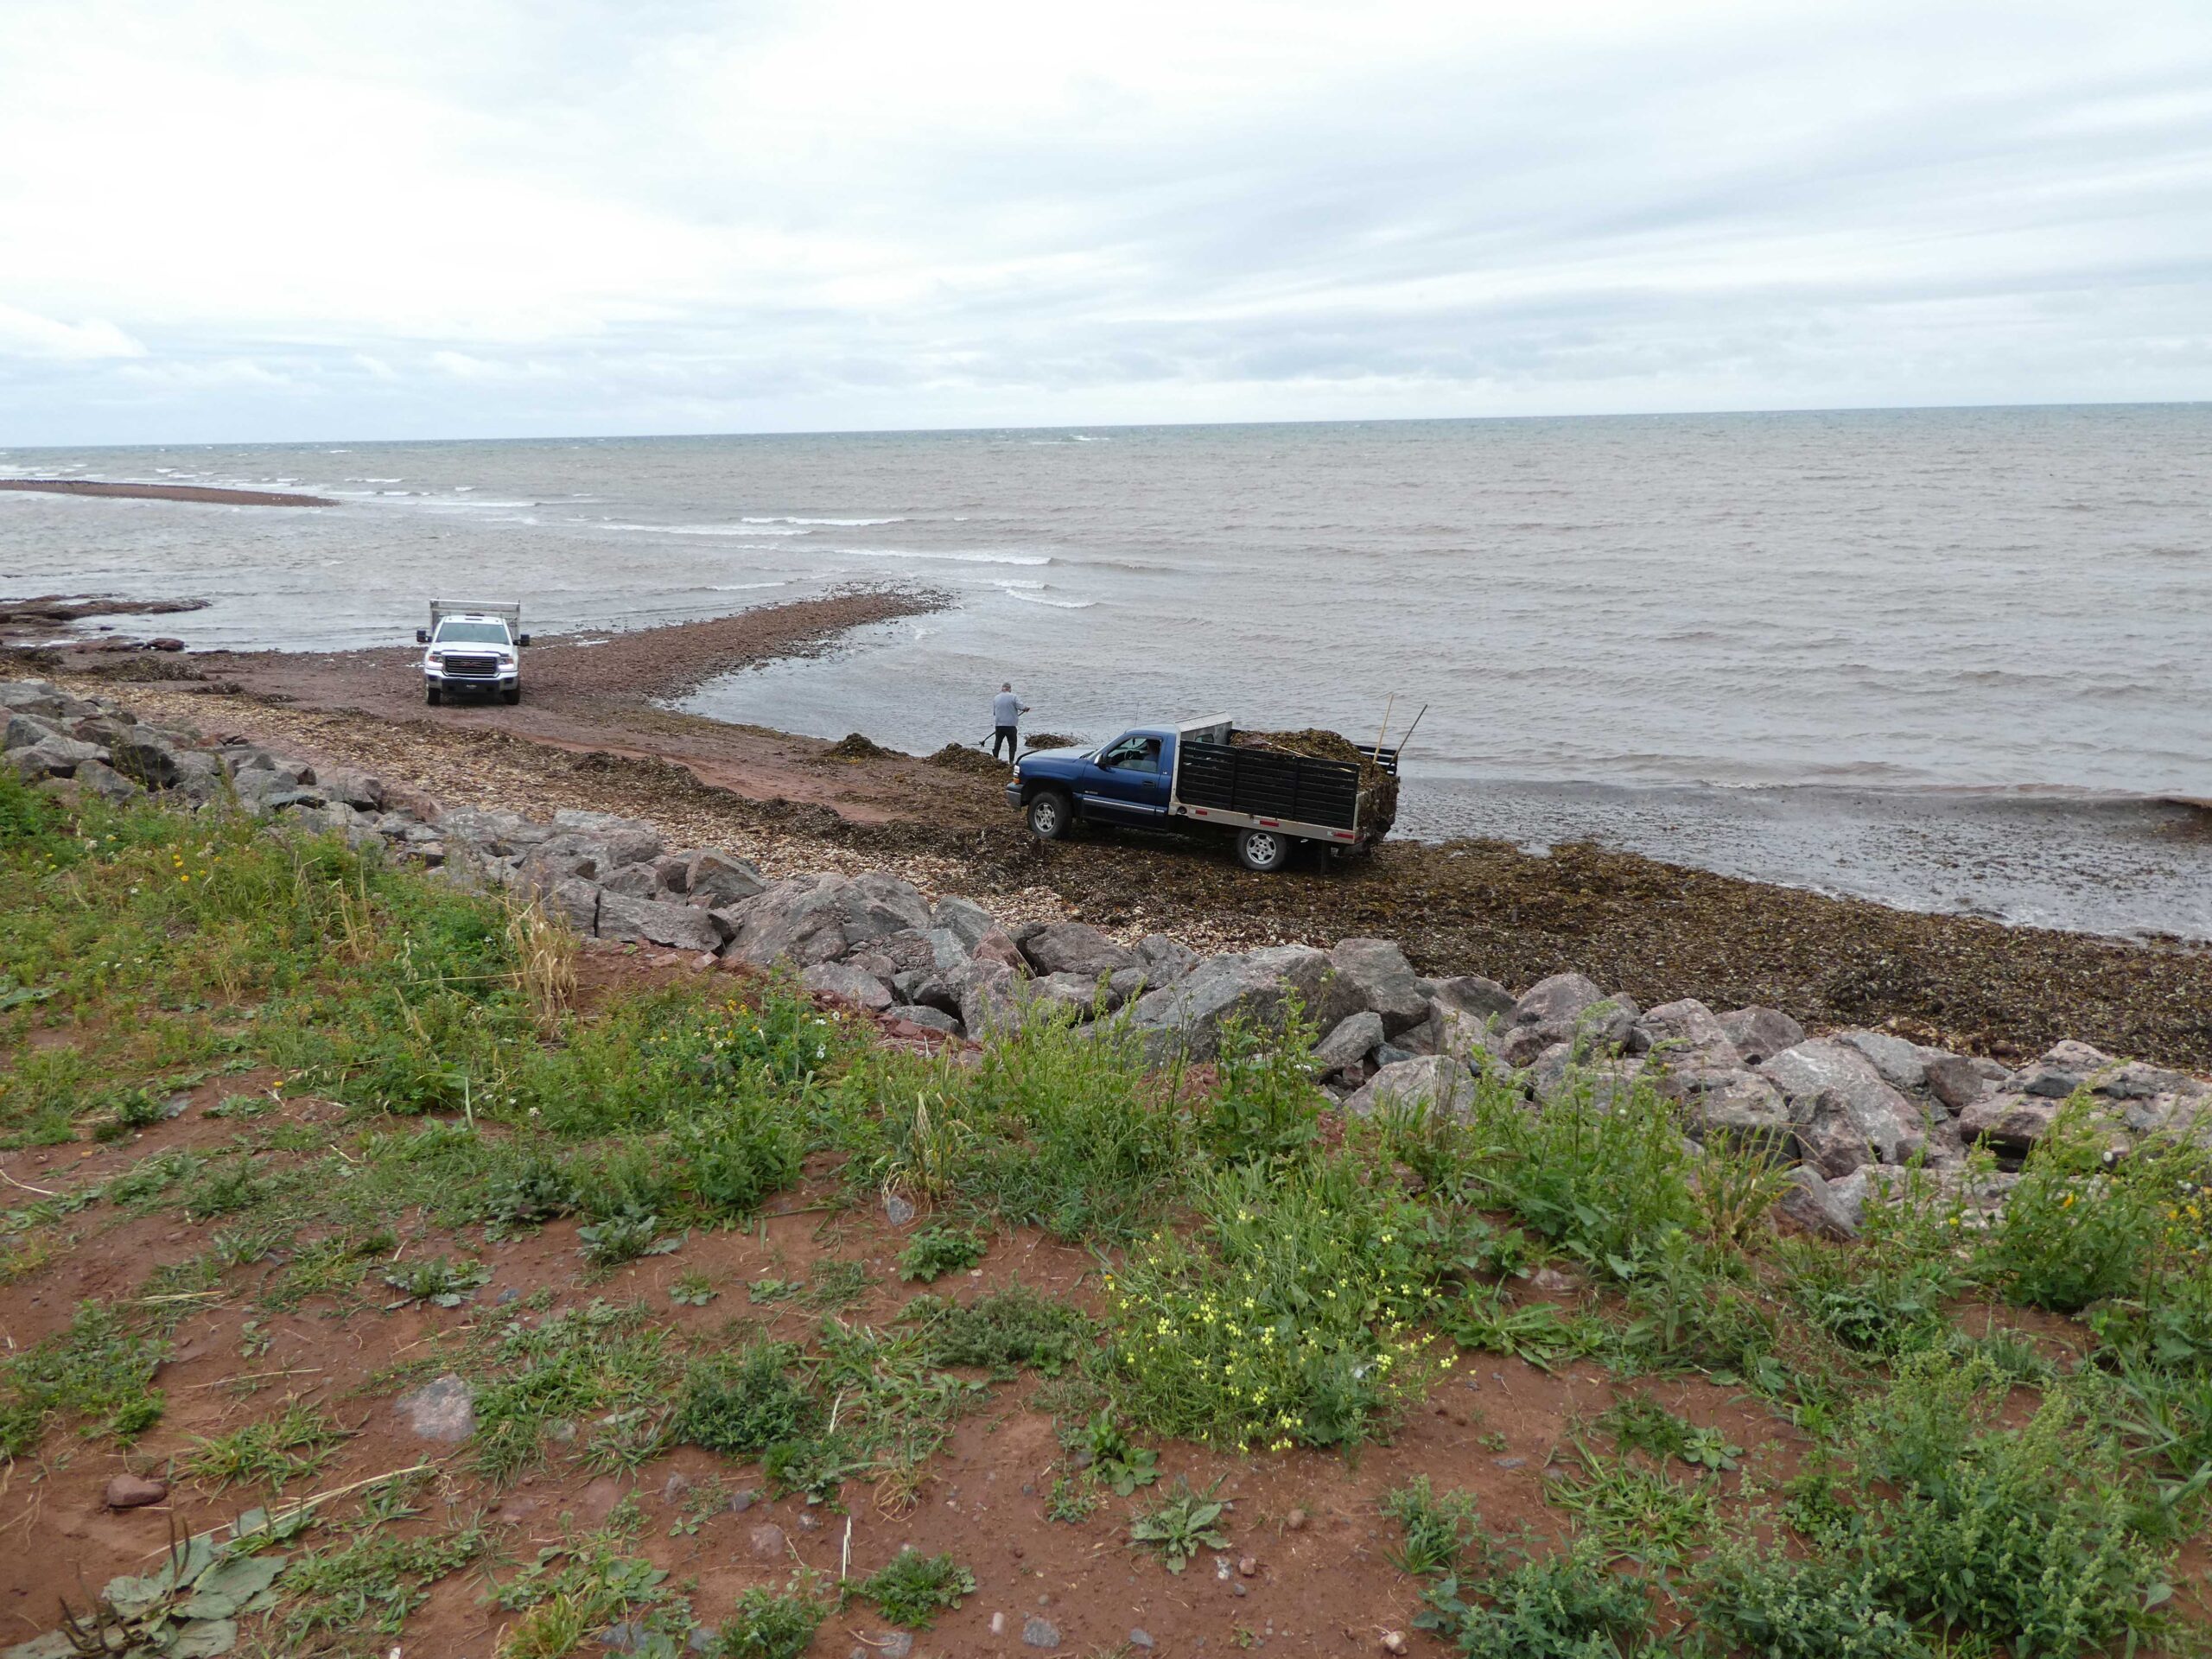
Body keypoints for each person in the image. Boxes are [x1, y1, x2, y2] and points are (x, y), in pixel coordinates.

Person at [990, 682, 1028, 761]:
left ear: (1002, 689)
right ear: (1010, 689)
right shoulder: (1013, 697)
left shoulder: (996, 698)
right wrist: (1026, 709)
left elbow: (995, 713)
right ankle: (1011, 761)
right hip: (1010, 725)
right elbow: (1021, 707)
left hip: (999, 725)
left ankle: (995, 759)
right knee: (1012, 744)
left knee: (998, 743)